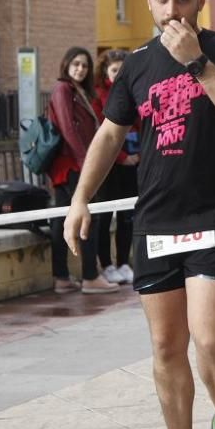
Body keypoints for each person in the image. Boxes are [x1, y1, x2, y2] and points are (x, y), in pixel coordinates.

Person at [63, 0, 215, 429]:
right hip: (155, 222)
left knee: (210, 335)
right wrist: (80, 200)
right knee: (165, 344)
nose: (172, 10)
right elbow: (106, 137)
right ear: (149, 2)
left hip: (211, 218)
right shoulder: (138, 66)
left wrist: (197, 64)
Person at [47, 47, 120, 296]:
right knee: (89, 216)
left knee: (64, 218)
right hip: (71, 164)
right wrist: (86, 162)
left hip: (75, 163)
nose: (80, 69)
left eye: (85, 65)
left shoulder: (81, 91)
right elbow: (68, 128)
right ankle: (89, 276)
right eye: (76, 64)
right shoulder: (62, 89)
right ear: (66, 64)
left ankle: (62, 277)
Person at [93, 48, 138, 285]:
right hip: (111, 165)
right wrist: (121, 157)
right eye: (113, 70)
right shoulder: (99, 94)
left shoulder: (132, 89)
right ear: (105, 71)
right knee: (104, 215)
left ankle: (123, 262)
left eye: (122, 69)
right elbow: (105, 131)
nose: (118, 73)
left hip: (133, 161)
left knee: (127, 215)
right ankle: (107, 265)